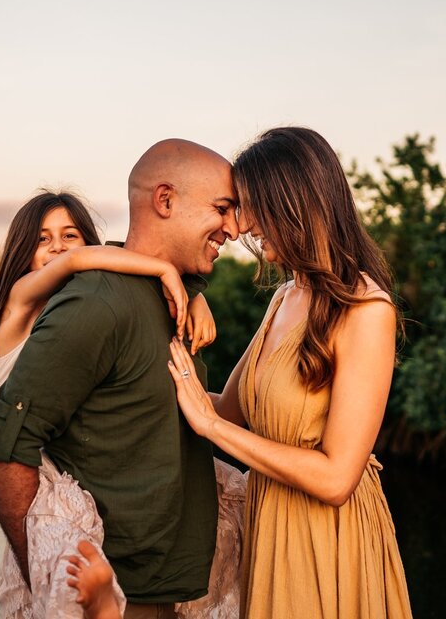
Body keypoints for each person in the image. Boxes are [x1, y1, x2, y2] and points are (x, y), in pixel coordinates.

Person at [0, 140, 242, 619]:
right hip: (117, 597)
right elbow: (3, 446)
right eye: (223, 209)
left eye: (69, 236)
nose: (236, 227)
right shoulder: (93, 303)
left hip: (171, 591)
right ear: (164, 200)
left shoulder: (166, 296)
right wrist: (46, 580)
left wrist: (189, 287)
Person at [167, 127, 412, 619]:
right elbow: (227, 411)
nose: (240, 225)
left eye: (250, 205)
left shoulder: (367, 310)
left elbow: (337, 477)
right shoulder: (285, 296)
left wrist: (209, 425)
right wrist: (180, 294)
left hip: (327, 538)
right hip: (269, 520)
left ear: (293, 201)